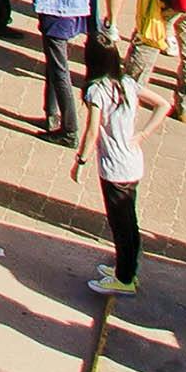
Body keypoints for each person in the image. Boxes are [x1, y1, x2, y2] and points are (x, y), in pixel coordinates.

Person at [72, 30, 148, 298]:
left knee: (121, 224)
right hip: (132, 161)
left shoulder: (96, 90)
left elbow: (92, 132)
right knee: (129, 221)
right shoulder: (127, 83)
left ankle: (124, 278)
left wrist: (80, 161)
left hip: (115, 167)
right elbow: (161, 104)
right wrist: (143, 134)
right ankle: (126, 269)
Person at [13, 0, 93, 141]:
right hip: (77, 7)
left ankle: (69, 129)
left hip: (56, 12)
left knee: (60, 70)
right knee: (54, 64)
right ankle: (52, 114)